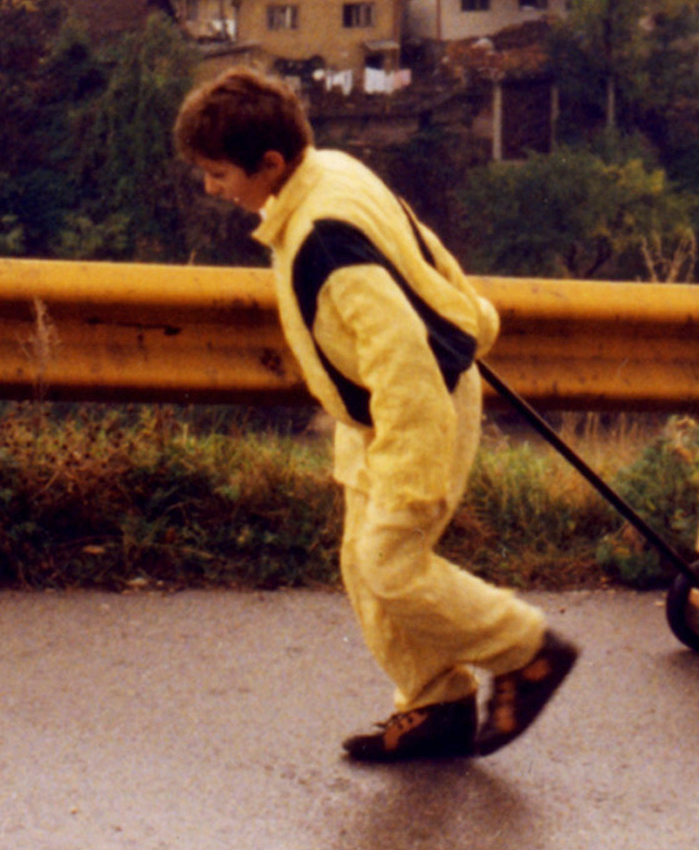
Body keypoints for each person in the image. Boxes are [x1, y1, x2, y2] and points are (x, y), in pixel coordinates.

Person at [174, 68, 578, 762]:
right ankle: (435, 704)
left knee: (391, 564)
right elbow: (429, 249)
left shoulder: (322, 239)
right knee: (363, 567)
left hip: (418, 411)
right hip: (377, 416)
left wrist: (413, 476)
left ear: (269, 163)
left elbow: (406, 369)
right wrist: (469, 316)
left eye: (217, 173)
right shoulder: (329, 172)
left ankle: (527, 651)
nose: (211, 188)